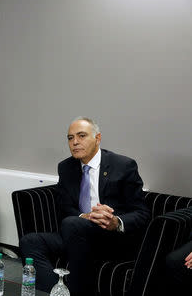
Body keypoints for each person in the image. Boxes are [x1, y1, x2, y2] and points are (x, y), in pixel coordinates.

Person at [20, 117, 150, 295]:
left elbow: (142, 212)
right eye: (70, 138)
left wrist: (116, 221)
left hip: (111, 237)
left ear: (98, 138)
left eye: (81, 136)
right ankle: (56, 292)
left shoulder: (123, 166)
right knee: (30, 241)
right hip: (76, 233)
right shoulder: (66, 167)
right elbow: (65, 206)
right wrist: (84, 217)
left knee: (71, 223)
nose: (75, 142)